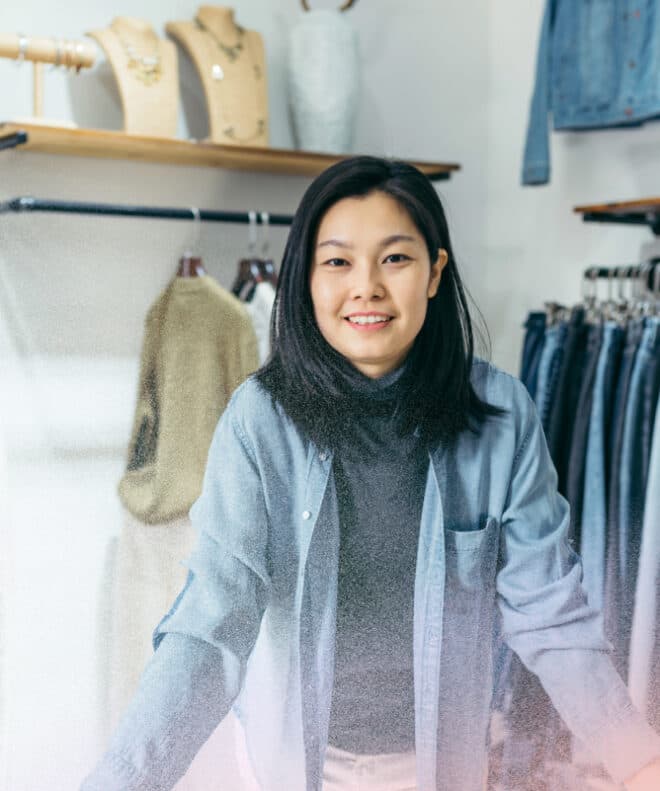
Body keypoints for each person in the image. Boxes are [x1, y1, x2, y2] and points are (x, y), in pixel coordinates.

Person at [80, 156, 660, 791]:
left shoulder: (501, 418)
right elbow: (211, 626)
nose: (366, 288)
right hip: (290, 761)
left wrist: (638, 757)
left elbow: (549, 612)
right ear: (304, 278)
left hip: (443, 763)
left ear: (435, 272)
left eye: (395, 259)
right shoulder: (259, 422)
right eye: (338, 262)